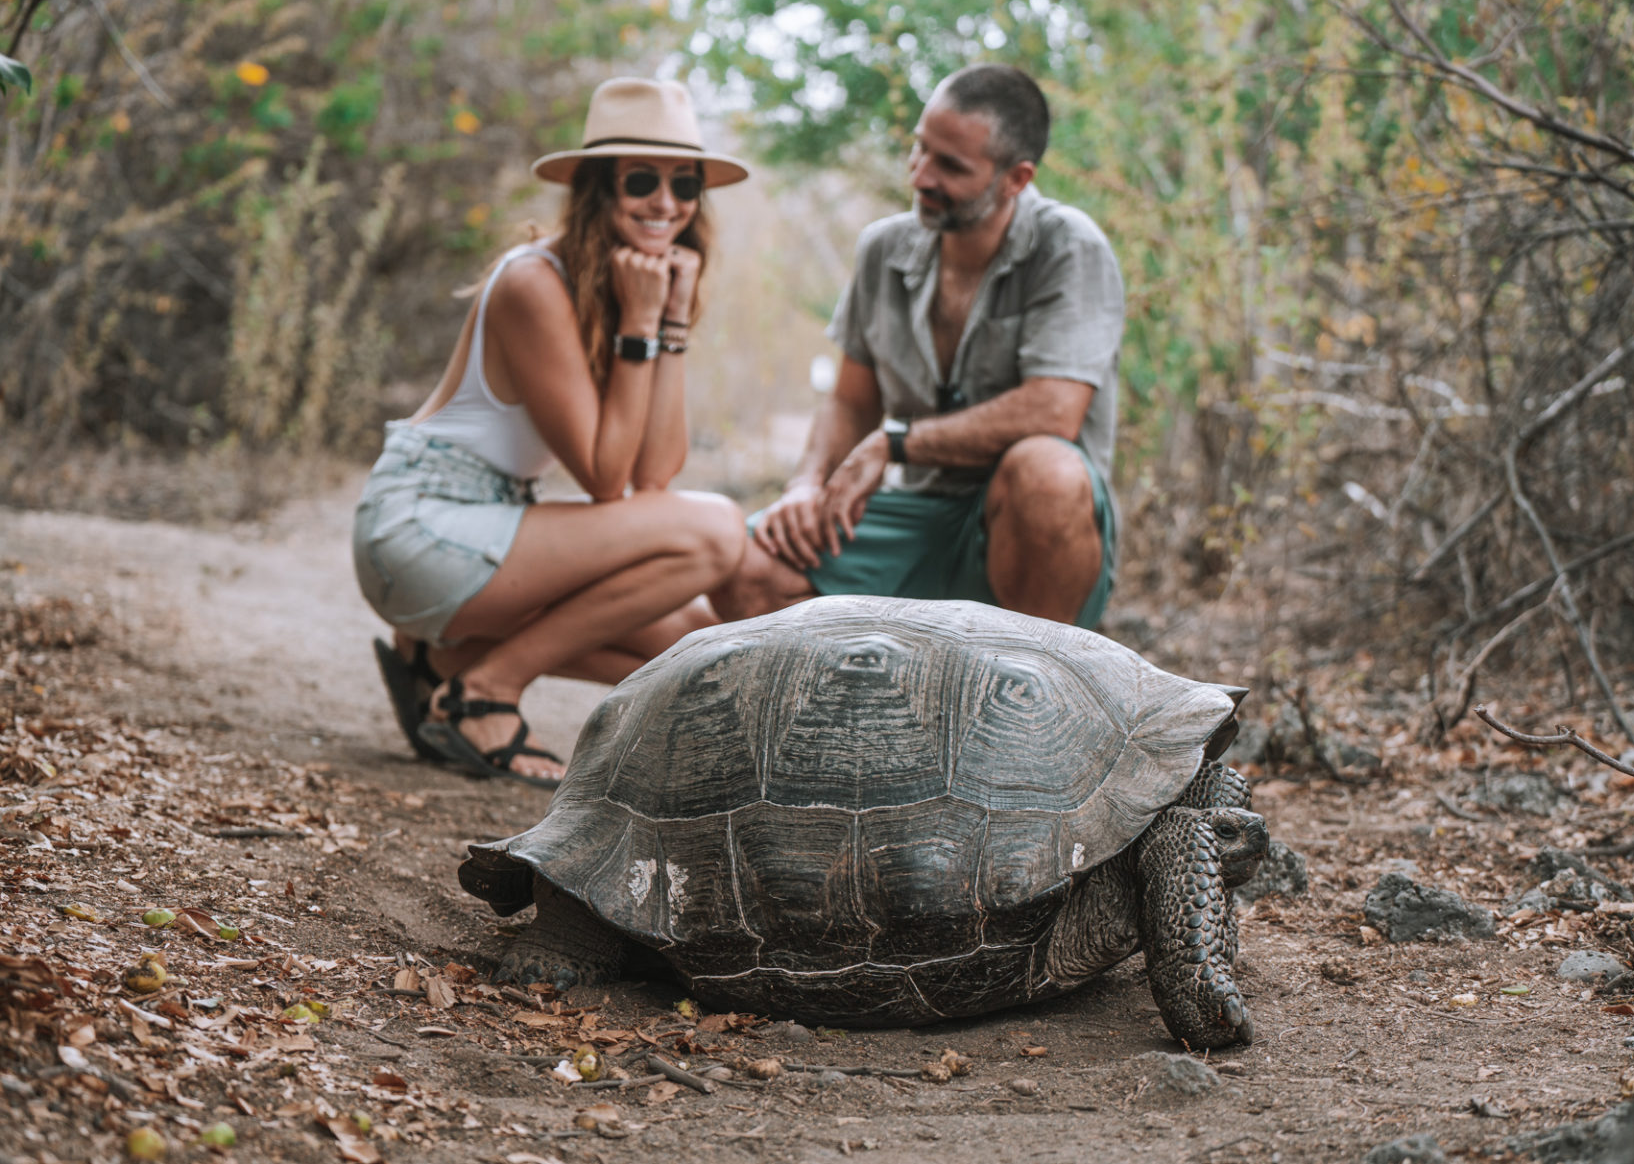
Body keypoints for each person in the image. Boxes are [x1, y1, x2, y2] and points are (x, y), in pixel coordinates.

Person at [352, 77, 747, 788]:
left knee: (685, 635)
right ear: (598, 185)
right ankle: (486, 690)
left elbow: (652, 478)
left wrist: (671, 319)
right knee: (716, 531)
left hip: (487, 528)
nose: (667, 202)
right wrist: (637, 325)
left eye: (684, 182)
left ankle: (439, 665)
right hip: (421, 527)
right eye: (641, 180)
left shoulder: (629, 284)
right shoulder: (533, 283)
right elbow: (605, 480)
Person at [711, 63, 1124, 629]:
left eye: (950, 166)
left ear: (1016, 179)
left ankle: (1041, 698)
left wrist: (896, 443)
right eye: (919, 149)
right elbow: (851, 401)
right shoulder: (882, 248)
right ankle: (866, 717)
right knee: (751, 566)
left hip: (1028, 528)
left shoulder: (1070, 247)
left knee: (1045, 470)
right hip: (917, 516)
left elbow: (1054, 410)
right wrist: (805, 485)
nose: (920, 176)